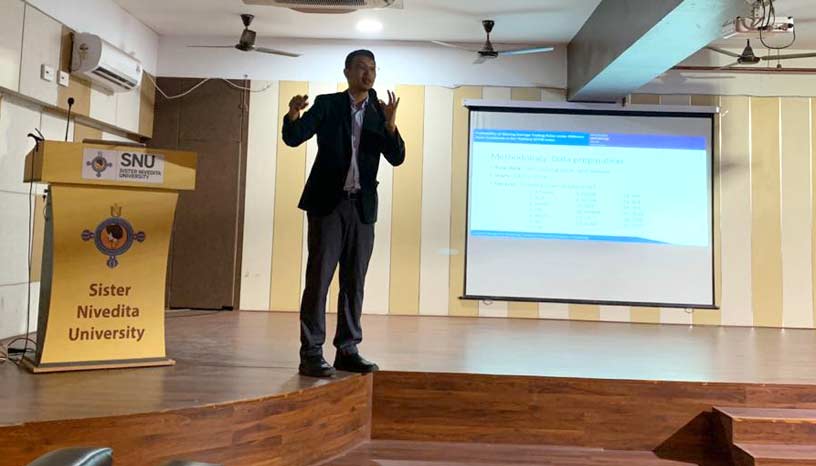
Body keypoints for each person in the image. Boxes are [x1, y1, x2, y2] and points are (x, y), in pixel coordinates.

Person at [282, 49, 405, 377]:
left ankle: (347, 350)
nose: (368, 74)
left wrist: (391, 124)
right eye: (362, 68)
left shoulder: (380, 111)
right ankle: (311, 353)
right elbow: (294, 137)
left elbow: (397, 157)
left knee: (354, 282)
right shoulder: (328, 104)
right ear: (347, 71)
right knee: (319, 280)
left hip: (362, 209)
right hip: (327, 205)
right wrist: (293, 113)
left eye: (373, 69)